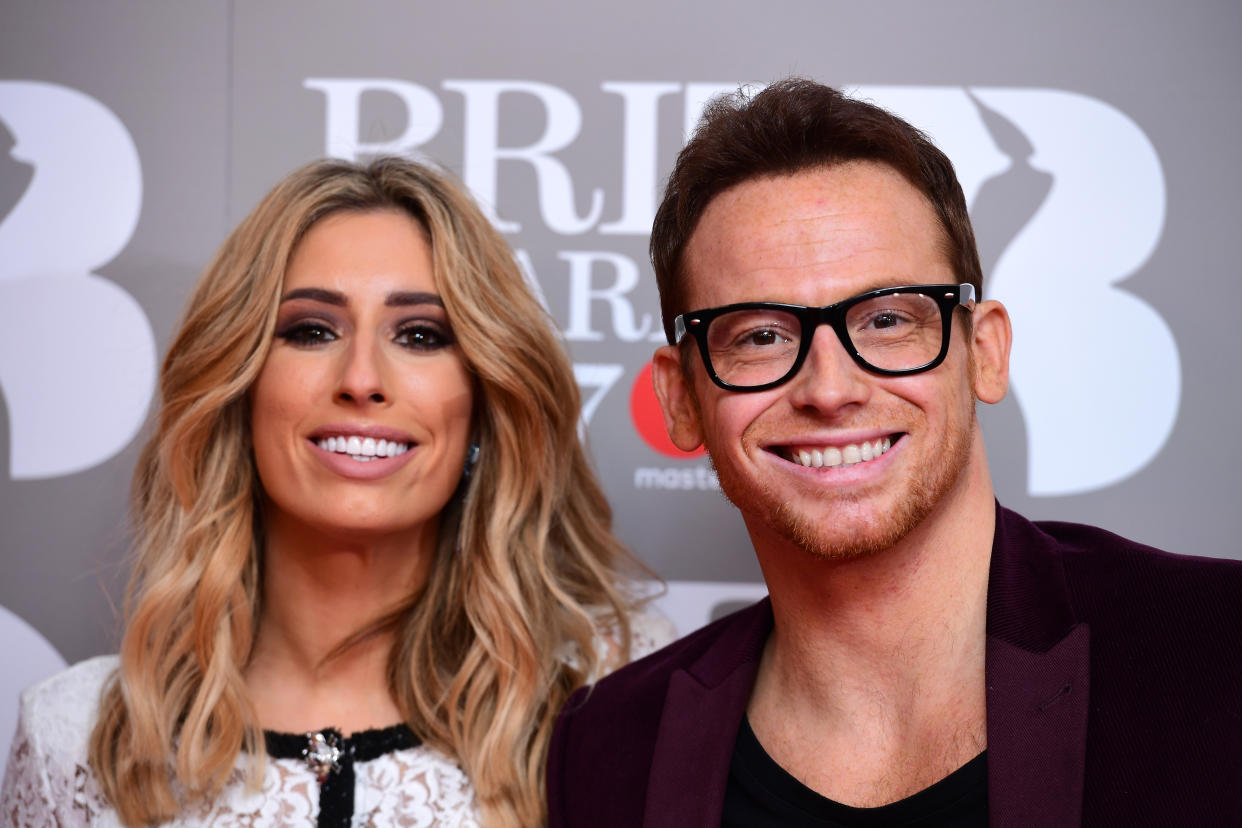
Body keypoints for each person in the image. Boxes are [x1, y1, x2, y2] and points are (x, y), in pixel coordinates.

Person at [546, 78, 1242, 826]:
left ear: (985, 352)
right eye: (760, 335)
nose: (829, 387)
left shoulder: (1217, 650)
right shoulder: (611, 745)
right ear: (681, 398)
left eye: (885, 320)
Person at [0, 156, 670, 827]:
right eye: (312, 331)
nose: (361, 378)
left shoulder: (619, 697)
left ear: (484, 402)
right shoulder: (78, 737)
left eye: (420, 335)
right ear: (240, 386)